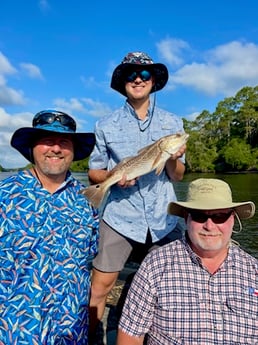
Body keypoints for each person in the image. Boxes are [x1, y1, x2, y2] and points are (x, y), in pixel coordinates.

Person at [88, 51, 187, 338]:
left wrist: (170, 156)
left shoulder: (172, 123)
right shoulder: (105, 124)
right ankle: (89, 338)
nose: (138, 79)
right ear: (123, 82)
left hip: (162, 218)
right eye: (131, 74)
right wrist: (111, 178)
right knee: (100, 287)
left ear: (153, 81)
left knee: (168, 288)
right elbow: (94, 171)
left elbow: (177, 175)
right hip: (120, 216)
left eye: (144, 74)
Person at [116, 178, 258, 345]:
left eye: (219, 216)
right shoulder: (155, 265)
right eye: (199, 216)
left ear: (232, 218)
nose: (209, 226)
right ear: (186, 217)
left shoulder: (253, 271)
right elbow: (131, 335)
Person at [0, 110, 99, 344]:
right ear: (32, 148)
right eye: (47, 140)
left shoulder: (87, 199)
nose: (55, 148)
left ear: (73, 151)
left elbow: (90, 259)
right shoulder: (5, 195)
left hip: (70, 332)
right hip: (14, 332)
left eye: (64, 142)